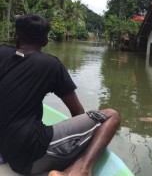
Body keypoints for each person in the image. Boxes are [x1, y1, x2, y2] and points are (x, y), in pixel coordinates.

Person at [0, 14, 120, 176]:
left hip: (4, 150)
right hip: (27, 158)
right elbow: (77, 112)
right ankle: (81, 170)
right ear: (45, 41)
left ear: (16, 36)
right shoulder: (51, 65)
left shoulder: (2, 52)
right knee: (111, 116)